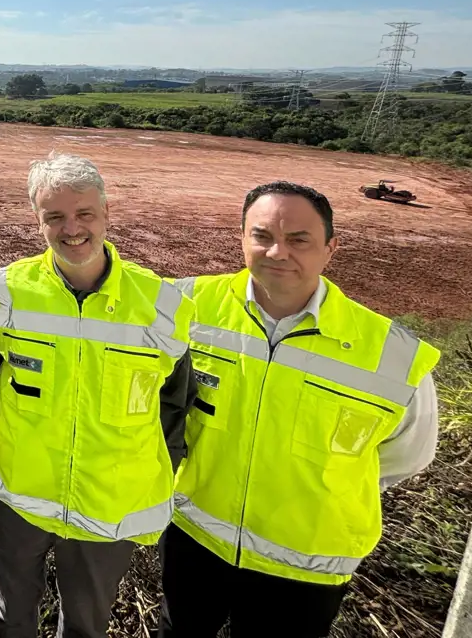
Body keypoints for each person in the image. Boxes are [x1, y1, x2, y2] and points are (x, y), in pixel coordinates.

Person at [160, 181, 441, 638]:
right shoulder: (187, 307)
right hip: (195, 536)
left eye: (299, 240)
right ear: (242, 238)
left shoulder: (394, 356)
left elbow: (404, 457)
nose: (277, 252)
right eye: (262, 236)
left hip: (304, 567)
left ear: (331, 248)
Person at [0, 152, 196, 638]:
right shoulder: (3, 292)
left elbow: (175, 406)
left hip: (108, 506)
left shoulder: (160, 306)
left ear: (106, 214)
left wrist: (157, 473)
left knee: (86, 625)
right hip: (18, 497)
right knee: (12, 617)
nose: (71, 229)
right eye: (54, 216)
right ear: (38, 222)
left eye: (84, 214)